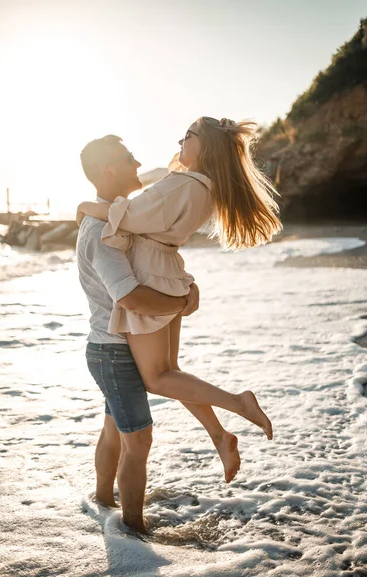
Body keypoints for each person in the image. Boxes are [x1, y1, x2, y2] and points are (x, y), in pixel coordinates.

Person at [77, 117, 283, 532]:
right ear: (109, 170)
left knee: (150, 394)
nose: (138, 162)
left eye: (188, 135)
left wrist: (85, 206)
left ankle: (106, 509)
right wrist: (182, 296)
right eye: (128, 158)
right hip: (116, 344)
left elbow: (138, 211)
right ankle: (130, 529)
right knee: (145, 417)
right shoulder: (109, 228)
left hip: (123, 332)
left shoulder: (142, 208)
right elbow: (130, 296)